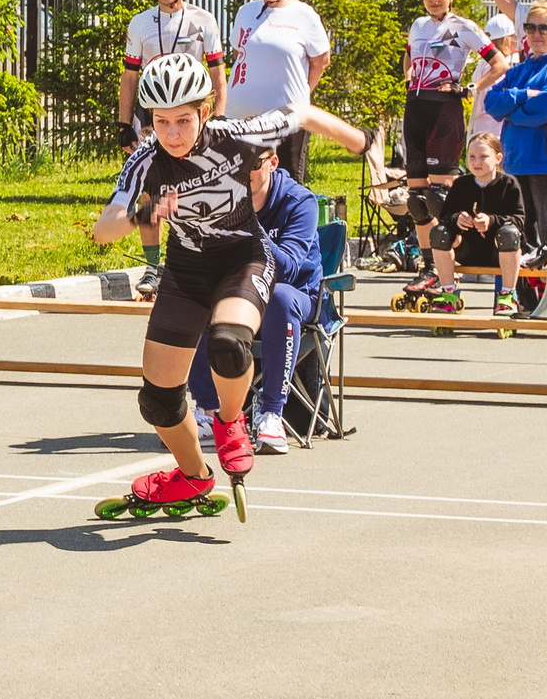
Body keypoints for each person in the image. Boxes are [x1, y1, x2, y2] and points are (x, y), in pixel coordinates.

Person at [92, 53, 370, 517]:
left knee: (228, 343)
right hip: (187, 270)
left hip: (243, 258)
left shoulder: (236, 137)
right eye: (161, 122)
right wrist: (147, 213)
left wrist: (363, 142)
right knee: (157, 401)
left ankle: (229, 419)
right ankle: (193, 476)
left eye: (184, 120)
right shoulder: (146, 157)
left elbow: (300, 112)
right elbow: (103, 228)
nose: (173, 134)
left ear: (205, 112)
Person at [186, 144, 323, 454]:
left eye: (251, 164)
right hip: (240, 296)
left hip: (296, 296)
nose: (241, 174)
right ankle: (208, 411)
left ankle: (272, 413)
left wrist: (249, 224)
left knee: (278, 297)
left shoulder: (300, 202)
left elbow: (287, 267)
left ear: (272, 162)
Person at [119, 0, 226, 296]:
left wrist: (219, 118)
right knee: (149, 191)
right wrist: (124, 124)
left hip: (191, 115)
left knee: (198, 188)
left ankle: (200, 260)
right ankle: (152, 266)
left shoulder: (203, 21)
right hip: (152, 116)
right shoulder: (140, 23)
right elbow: (129, 77)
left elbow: (218, 76)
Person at [399, 0, 500, 289]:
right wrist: (409, 75)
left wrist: (470, 89)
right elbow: (409, 56)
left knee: (440, 196)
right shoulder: (417, 25)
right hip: (415, 108)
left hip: (445, 111)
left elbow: (500, 63)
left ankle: (459, 257)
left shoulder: (463, 26)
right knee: (416, 199)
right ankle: (430, 268)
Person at [482, 3, 547, 317]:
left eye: (545, 28)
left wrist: (514, 107)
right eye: (530, 28)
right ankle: (524, 301)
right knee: (519, 235)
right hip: (516, 162)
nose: (537, 34)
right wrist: (525, 96)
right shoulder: (522, 66)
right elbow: (491, 100)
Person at [226, 0, 332, 183]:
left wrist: (303, 93)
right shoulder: (246, 12)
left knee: (287, 181)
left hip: (287, 121)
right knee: (245, 182)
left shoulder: (304, 14)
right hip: (244, 118)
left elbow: (321, 60)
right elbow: (239, 53)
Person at [428, 133, 526, 316]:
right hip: (467, 249)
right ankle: (448, 292)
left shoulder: (509, 184)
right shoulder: (461, 184)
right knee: (439, 232)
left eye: (483, 157)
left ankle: (507, 295)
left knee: (510, 234)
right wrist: (457, 218)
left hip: (498, 251)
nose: (476, 162)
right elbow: (445, 217)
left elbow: (519, 220)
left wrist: (492, 221)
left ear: (498, 159)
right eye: (471, 157)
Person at [465, 12, 518, 151]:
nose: (516, 40)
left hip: (484, 128)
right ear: (505, 39)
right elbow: (497, 100)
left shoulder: (485, 63)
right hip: (493, 131)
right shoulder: (494, 67)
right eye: (514, 36)